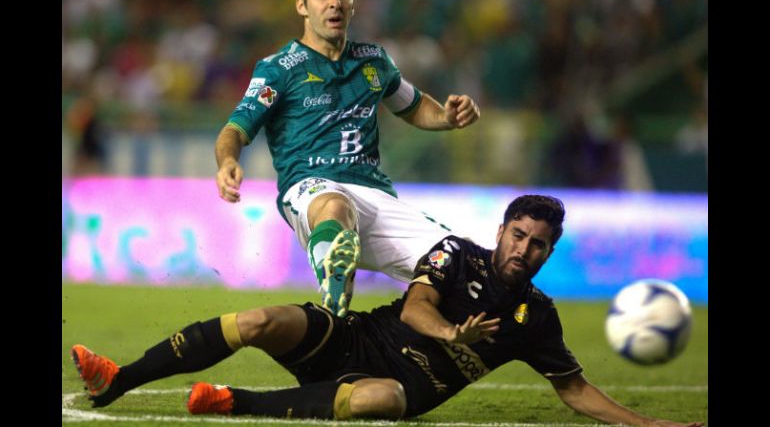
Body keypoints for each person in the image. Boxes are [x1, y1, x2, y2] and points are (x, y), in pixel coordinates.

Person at [71, 195, 702, 426]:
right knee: (263, 320)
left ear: (549, 251)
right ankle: (117, 378)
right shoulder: (456, 255)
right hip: (354, 340)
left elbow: (575, 389)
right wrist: (455, 330)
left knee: (381, 404)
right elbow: (418, 307)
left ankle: (233, 400)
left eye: (538, 244)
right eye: (518, 235)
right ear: (503, 229)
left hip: (404, 386)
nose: (523, 249)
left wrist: (647, 425)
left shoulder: (536, 318)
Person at [214, 0, 480, 317]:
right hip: (312, 189)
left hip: (374, 195)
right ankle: (334, 289)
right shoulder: (278, 70)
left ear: (353, 4)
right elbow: (236, 128)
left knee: (466, 263)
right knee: (336, 206)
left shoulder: (374, 62)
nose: (334, 3)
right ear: (301, 6)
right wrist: (228, 160)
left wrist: (448, 116)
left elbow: (415, 106)